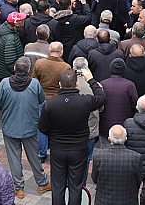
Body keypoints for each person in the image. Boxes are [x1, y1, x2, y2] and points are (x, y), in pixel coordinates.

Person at [39, 69, 106, 205]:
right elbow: (102, 98)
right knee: (76, 186)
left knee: (58, 186)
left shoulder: (51, 104)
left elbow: (42, 128)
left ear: (60, 84)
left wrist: (54, 135)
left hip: (58, 149)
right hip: (79, 148)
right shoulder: (85, 101)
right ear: (76, 84)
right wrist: (90, 80)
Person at [0, 57, 51, 198]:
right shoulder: (35, 84)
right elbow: (41, 99)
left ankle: (18, 188)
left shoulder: (4, 83)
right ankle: (42, 183)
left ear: (14, 68)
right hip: (30, 127)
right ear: (28, 70)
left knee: (14, 158)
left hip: (10, 127)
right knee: (34, 156)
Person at [91, 125, 143, 205]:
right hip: (128, 201)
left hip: (103, 201)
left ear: (109, 139)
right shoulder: (135, 157)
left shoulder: (98, 156)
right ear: (125, 139)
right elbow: (138, 180)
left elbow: (94, 178)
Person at [0, 12, 26, 111]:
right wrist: (15, 70)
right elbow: (10, 59)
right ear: (16, 23)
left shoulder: (4, 29)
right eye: (21, 20)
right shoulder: (10, 38)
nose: (23, 21)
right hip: (3, 69)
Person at [99, 59, 139, 145]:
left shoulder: (103, 84)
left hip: (105, 124)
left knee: (105, 150)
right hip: (124, 124)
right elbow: (135, 104)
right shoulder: (129, 85)